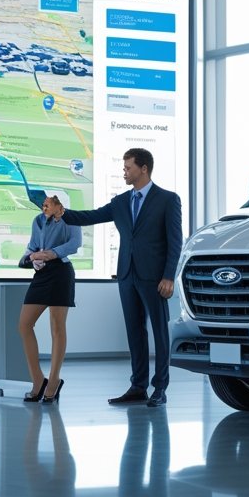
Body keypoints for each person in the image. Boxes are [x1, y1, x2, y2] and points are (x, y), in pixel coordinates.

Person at [60, 148, 182, 407]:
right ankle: (138, 386)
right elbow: (90, 216)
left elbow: (175, 242)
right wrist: (62, 213)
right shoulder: (120, 202)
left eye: (128, 168)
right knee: (134, 332)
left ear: (144, 169)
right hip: (127, 275)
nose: (124, 172)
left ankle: (160, 388)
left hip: (155, 278)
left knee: (159, 332)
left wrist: (169, 276)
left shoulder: (168, 200)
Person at [19, 191, 82, 403]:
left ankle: (54, 380)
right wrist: (31, 258)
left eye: (49, 202)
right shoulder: (37, 220)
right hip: (42, 273)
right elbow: (32, 245)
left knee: (57, 327)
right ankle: (38, 379)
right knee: (24, 325)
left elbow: (74, 244)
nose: (44, 205)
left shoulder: (71, 218)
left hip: (61, 273)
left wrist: (50, 253)